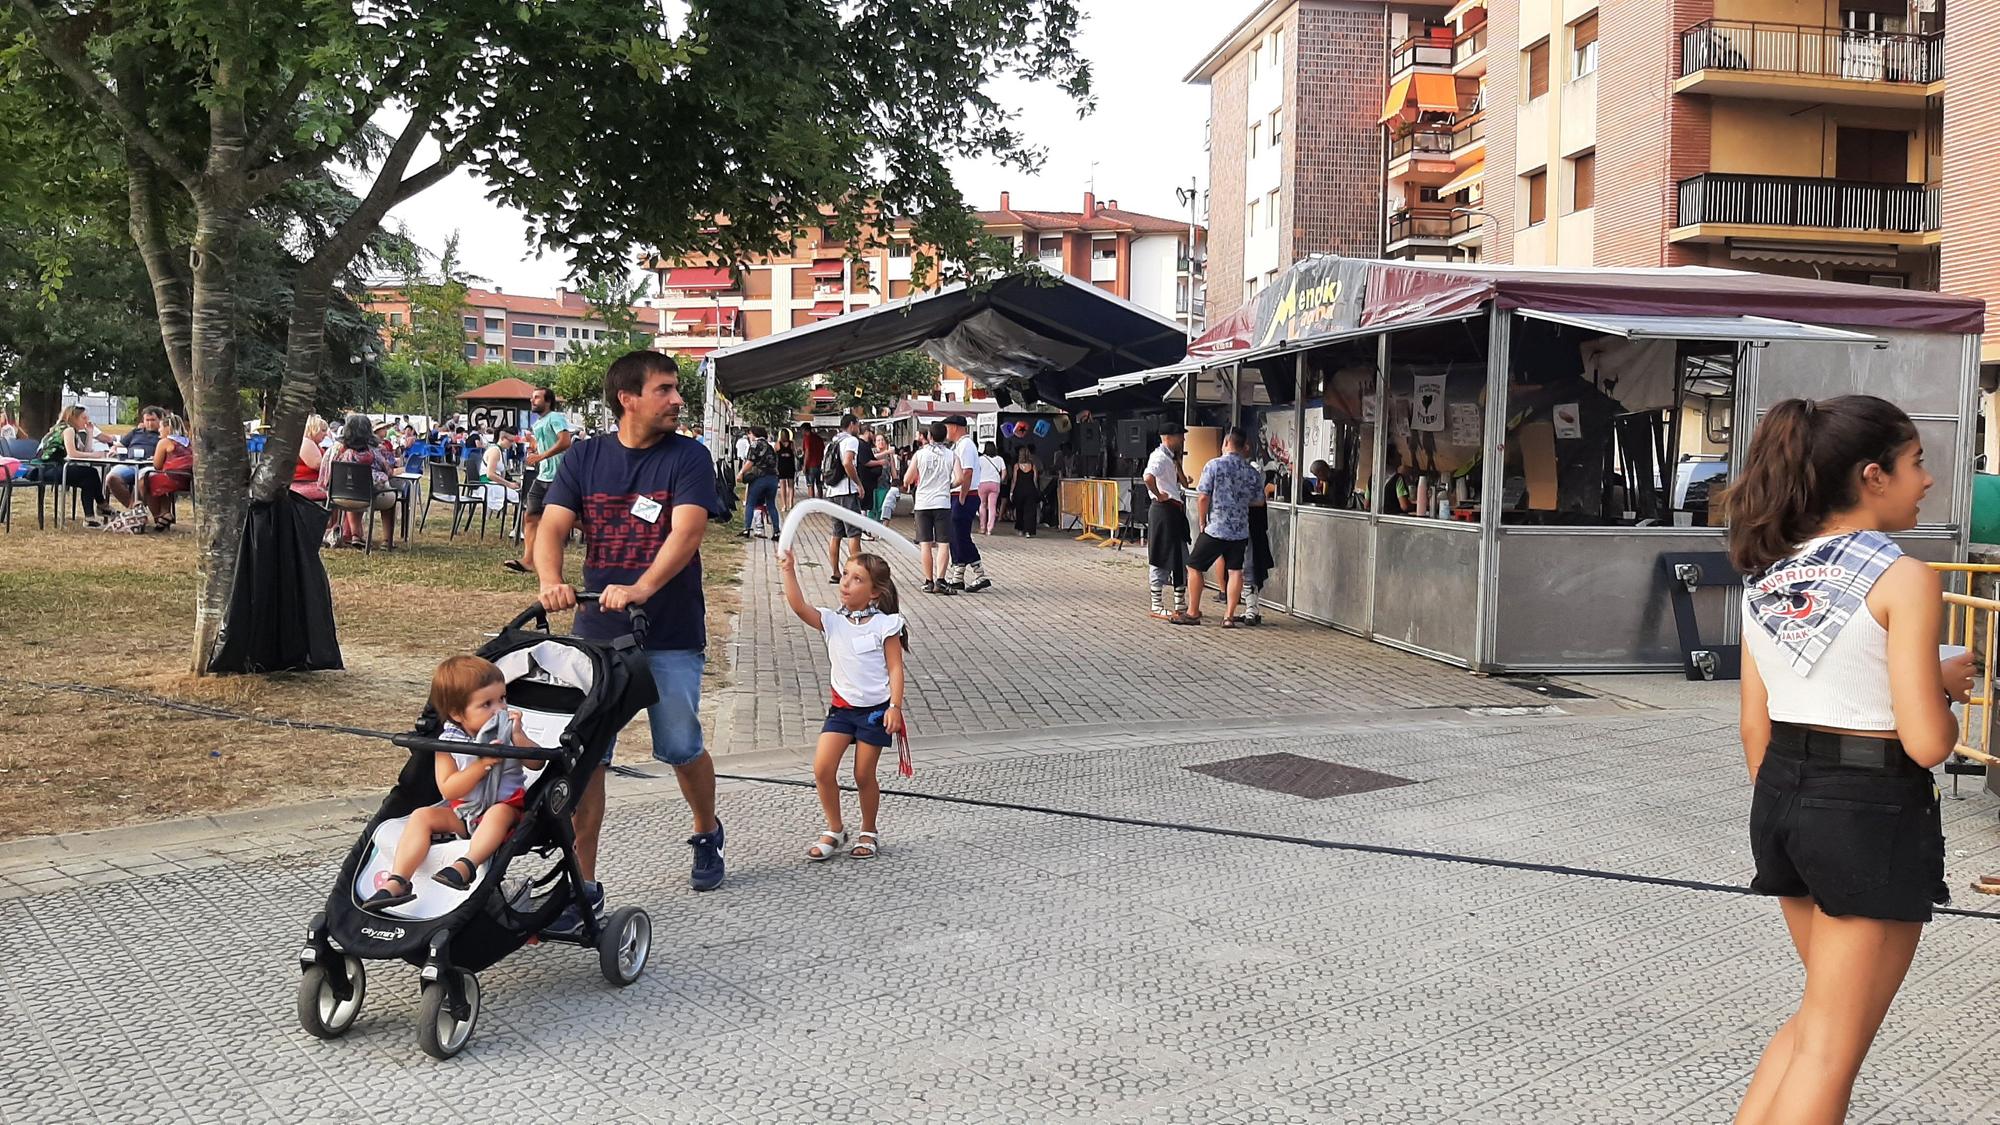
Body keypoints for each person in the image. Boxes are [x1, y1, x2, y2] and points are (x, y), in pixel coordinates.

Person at [1728, 396, 1969, 1125]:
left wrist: (1797, 805)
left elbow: (1752, 725)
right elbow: (1927, 742)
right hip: (1868, 812)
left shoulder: (1770, 574)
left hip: (1782, 799)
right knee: (1836, 1044)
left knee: (1818, 1022)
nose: (1926, 479)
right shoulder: (1904, 577)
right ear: (1872, 475)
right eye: (1916, 462)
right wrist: (1946, 685)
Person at [534, 350, 727, 926]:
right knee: (588, 759)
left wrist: (642, 586)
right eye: (665, 390)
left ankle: (706, 830)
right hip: (597, 632)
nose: (676, 400)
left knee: (679, 744)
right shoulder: (586, 457)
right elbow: (552, 525)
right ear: (628, 397)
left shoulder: (688, 456)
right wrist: (550, 581)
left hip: (668, 630)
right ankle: (582, 885)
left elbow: (687, 532)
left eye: (676, 390)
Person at [363, 656, 535, 909]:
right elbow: (449, 788)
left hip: (505, 811)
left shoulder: (508, 731)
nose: (499, 709)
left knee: (498, 812)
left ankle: (466, 866)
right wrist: (482, 765)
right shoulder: (448, 743)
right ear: (457, 714)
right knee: (422, 816)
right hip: (464, 814)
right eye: (486, 704)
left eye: (503, 699)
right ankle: (398, 881)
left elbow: (536, 763)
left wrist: (519, 736)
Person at [775, 548, 907, 861]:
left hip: (875, 713)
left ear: (874, 592)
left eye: (857, 579)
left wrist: (895, 707)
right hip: (842, 710)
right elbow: (798, 606)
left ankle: (868, 831)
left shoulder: (885, 625)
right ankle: (835, 829)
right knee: (822, 769)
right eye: (845, 575)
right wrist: (789, 570)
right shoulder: (832, 620)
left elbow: (895, 668)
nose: (846, 583)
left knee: (863, 775)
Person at [1175, 428, 1262, 628]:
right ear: (1243, 446)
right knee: (1235, 571)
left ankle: (1193, 611)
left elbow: (1203, 495)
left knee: (1194, 566)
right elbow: (1258, 501)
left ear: (1225, 443)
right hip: (1240, 530)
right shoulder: (1251, 471)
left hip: (1216, 528)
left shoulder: (1214, 465)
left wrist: (1202, 521)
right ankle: (1229, 616)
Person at [511, 387, 580, 575]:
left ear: (547, 401)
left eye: (536, 398)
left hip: (559, 476)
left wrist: (540, 456)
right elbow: (545, 444)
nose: (532, 401)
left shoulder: (555, 417)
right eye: (532, 397)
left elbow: (565, 441)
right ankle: (528, 561)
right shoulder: (539, 422)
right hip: (542, 477)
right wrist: (533, 445)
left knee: (570, 519)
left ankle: (603, 535)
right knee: (531, 516)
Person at [321, 413, 400, 549]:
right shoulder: (375, 451)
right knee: (388, 495)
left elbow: (325, 474)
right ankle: (387, 540)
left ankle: (356, 535)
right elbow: (389, 472)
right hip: (369, 497)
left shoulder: (334, 449)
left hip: (337, 496)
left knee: (352, 488)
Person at [1144, 423, 1191, 620]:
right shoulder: (1158, 457)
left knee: (1180, 554)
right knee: (1160, 554)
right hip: (1163, 509)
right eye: (1180, 435)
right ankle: (1157, 604)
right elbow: (1148, 477)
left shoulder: (1170, 458)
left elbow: (1184, 482)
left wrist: (1177, 464)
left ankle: (1180, 602)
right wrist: (1159, 495)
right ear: (1169, 437)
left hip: (1174, 509)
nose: (1183, 439)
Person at [905, 421, 957, 595]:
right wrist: (949, 485)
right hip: (942, 503)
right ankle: (941, 580)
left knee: (925, 544)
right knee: (943, 543)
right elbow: (961, 477)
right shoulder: (951, 455)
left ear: (929, 436)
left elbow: (909, 477)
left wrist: (908, 482)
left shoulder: (920, 454)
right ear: (945, 436)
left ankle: (928, 581)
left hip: (923, 503)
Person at [39, 405, 110, 526]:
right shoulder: (68, 430)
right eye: (84, 418)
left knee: (88, 477)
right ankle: (101, 506)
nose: (87, 421)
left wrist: (90, 433)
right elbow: (72, 454)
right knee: (90, 473)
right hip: (48, 468)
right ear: (74, 418)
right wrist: (95, 455)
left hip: (55, 467)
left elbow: (85, 451)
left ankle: (92, 515)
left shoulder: (71, 431)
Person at [944, 415, 991, 592]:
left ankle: (980, 574)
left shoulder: (966, 446)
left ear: (955, 427)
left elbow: (967, 472)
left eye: (948, 427)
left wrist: (962, 495)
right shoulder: (959, 446)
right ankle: (958, 574)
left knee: (961, 536)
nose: (947, 431)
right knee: (955, 535)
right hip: (959, 494)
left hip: (966, 494)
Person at [821, 414, 866, 582]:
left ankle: (835, 572)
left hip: (832, 492)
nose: (859, 428)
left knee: (836, 533)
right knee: (854, 533)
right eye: (858, 424)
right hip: (846, 492)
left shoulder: (832, 443)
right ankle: (857, 574)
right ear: (852, 425)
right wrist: (858, 484)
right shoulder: (851, 441)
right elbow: (847, 462)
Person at [105, 406, 166, 509]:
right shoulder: (135, 432)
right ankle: (133, 507)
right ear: (143, 420)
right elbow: (119, 445)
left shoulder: (163, 434)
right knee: (111, 478)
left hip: (150, 466)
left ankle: (134, 512)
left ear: (160, 420)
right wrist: (114, 449)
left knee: (143, 479)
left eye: (153, 420)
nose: (150, 423)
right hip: (130, 463)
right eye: (147, 420)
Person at [140, 413, 194, 530]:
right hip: (187, 479)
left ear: (168, 428)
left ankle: (158, 517)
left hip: (172, 478)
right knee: (160, 484)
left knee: (145, 482)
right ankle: (166, 513)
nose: (159, 430)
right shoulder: (189, 442)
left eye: (160, 427)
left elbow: (157, 465)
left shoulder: (165, 442)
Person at [738, 426, 780, 540]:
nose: (749, 437)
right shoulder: (770, 447)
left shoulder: (755, 444)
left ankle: (747, 529)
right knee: (771, 505)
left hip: (759, 479)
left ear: (753, 434)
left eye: (749, 434)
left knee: (750, 503)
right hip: (773, 479)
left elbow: (750, 462)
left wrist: (741, 473)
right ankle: (776, 532)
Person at [290, 415, 330, 502]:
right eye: (323, 430)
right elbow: (318, 465)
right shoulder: (306, 442)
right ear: (313, 429)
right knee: (338, 494)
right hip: (305, 483)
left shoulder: (311, 443)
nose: (326, 434)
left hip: (307, 483)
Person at [481, 428, 522, 513]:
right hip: (489, 486)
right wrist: (509, 484)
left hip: (492, 485)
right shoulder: (494, 451)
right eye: (510, 441)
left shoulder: (498, 450)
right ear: (502, 438)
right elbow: (490, 475)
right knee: (520, 496)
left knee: (519, 493)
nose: (512, 444)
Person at [1008, 447, 1041, 536]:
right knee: (1030, 511)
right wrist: (1037, 491)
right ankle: (1028, 531)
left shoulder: (1016, 466)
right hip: (1030, 490)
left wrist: (1011, 492)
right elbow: (1035, 480)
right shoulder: (1033, 466)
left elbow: (1014, 480)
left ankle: (1020, 529)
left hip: (1019, 490)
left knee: (1019, 510)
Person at [977, 441, 1005, 534]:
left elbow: (976, 471)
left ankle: (982, 527)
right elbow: (1004, 472)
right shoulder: (999, 459)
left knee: (982, 505)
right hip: (995, 484)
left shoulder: (980, 459)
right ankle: (990, 529)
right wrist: (1000, 480)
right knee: (992, 506)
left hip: (982, 483)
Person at [873, 434, 902, 523]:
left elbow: (893, 470)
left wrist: (896, 482)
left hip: (885, 485)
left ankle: (881, 528)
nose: (881, 442)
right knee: (873, 508)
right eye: (878, 440)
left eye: (882, 440)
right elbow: (873, 458)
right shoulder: (873, 452)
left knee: (883, 508)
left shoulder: (889, 456)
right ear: (875, 443)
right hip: (873, 484)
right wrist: (887, 452)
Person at [799, 423, 824, 499]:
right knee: (819, 484)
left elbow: (807, 451)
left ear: (804, 430)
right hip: (818, 464)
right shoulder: (818, 438)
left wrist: (804, 465)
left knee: (810, 484)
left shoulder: (807, 438)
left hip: (810, 465)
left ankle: (811, 501)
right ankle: (820, 499)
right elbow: (823, 450)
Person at [775, 435, 798, 514]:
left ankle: (784, 505)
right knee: (790, 486)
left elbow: (775, 452)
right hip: (789, 466)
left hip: (782, 466)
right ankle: (790, 504)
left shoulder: (778, 443)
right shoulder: (791, 443)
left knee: (783, 486)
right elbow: (795, 453)